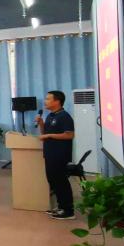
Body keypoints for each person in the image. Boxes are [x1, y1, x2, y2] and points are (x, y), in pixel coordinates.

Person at [36, 90, 76, 220]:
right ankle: (60, 206)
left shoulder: (64, 116)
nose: (45, 101)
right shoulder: (50, 116)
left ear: (57, 101)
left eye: (48, 99)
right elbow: (44, 134)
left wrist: (49, 135)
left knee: (61, 181)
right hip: (50, 153)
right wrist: (41, 124)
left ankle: (68, 211)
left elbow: (69, 135)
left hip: (59, 154)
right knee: (53, 180)